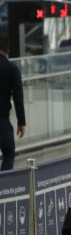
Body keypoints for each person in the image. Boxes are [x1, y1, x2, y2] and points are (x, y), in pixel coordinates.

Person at [0, 35, 26, 171]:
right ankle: (3, 188)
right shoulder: (11, 68)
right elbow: (18, 97)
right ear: (8, 50)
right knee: (9, 153)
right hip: (2, 121)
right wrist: (21, 122)